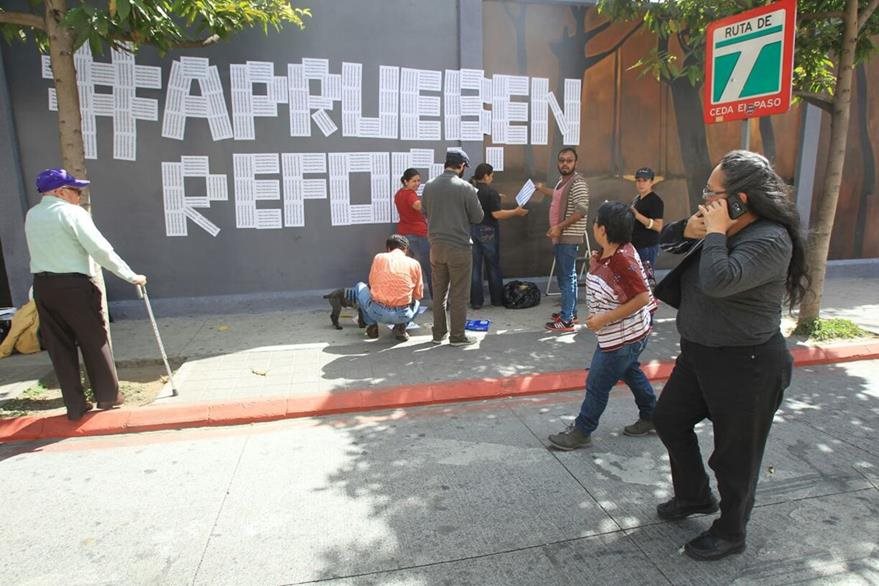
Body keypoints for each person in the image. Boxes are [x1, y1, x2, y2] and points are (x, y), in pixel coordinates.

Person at [652, 150, 807, 561]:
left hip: (747, 363)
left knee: (735, 456)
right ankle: (695, 496)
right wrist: (688, 229)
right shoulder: (724, 225)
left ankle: (731, 531)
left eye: (712, 192)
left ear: (742, 198)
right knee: (668, 419)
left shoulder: (771, 238)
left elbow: (720, 280)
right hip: (698, 354)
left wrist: (716, 233)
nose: (705, 199)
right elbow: (666, 243)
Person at [24, 168, 147, 421]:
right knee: (93, 339)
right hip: (74, 285)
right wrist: (130, 275)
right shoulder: (71, 213)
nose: (79, 195)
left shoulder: (32, 215)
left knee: (59, 347)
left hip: (43, 288)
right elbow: (100, 250)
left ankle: (75, 405)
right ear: (60, 191)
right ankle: (108, 396)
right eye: (76, 190)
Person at [547, 201, 657, 451]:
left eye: (596, 222)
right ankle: (652, 416)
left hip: (621, 338)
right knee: (630, 371)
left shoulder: (622, 261)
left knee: (597, 383)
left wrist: (602, 319)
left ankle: (582, 430)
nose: (594, 225)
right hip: (628, 335)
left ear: (603, 230)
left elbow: (641, 297)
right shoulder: (614, 252)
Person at [421, 149, 484, 346]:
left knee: (439, 292)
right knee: (459, 293)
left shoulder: (429, 186)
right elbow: (478, 217)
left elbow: (424, 211)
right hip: (459, 248)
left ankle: (438, 334)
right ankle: (457, 336)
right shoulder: (466, 188)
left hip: (436, 247)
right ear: (462, 166)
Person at [535, 148, 590, 332]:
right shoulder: (562, 182)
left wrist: (559, 227)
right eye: (562, 160)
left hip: (567, 237)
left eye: (569, 160)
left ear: (576, 163)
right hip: (560, 237)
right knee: (569, 276)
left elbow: (582, 209)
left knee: (566, 278)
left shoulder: (578, 183)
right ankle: (570, 312)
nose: (565, 163)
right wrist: (542, 189)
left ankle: (566, 320)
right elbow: (558, 196)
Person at [469, 163, 528, 309]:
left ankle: (476, 302)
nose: (492, 178)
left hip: (472, 230)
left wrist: (497, 197)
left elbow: (482, 202)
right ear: (486, 175)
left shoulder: (471, 190)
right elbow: (496, 214)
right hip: (488, 231)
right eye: (491, 175)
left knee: (475, 268)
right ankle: (497, 300)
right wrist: (515, 211)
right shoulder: (491, 193)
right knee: (493, 266)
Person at [354, 234, 423, 342]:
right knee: (417, 303)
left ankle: (372, 326)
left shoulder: (379, 257)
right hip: (403, 315)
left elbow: (371, 284)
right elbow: (418, 295)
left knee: (360, 286)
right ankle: (401, 327)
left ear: (388, 248)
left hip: (377, 312)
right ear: (405, 249)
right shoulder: (415, 263)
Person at [393, 168, 432, 300]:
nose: (417, 183)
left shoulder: (398, 194)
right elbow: (418, 206)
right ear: (405, 181)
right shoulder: (410, 194)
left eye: (419, 180)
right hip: (418, 235)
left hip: (403, 235)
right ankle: (439, 301)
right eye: (413, 181)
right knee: (430, 268)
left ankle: (405, 299)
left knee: (407, 269)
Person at [629, 167, 664, 288]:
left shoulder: (656, 201)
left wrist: (637, 215)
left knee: (647, 280)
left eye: (644, 180)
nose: (641, 183)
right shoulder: (636, 199)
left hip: (647, 247)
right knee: (638, 279)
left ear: (652, 182)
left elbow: (658, 226)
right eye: (638, 180)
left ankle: (650, 303)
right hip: (635, 245)